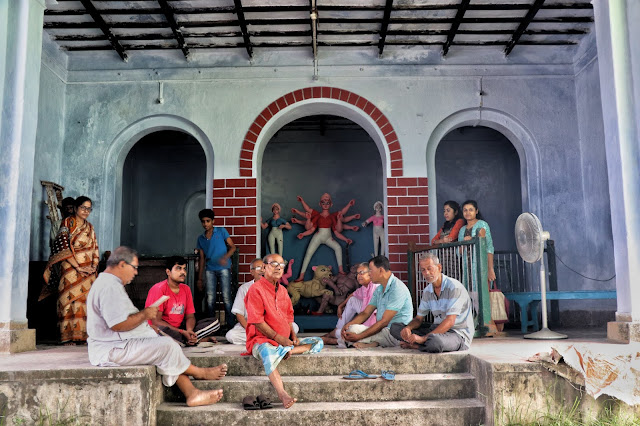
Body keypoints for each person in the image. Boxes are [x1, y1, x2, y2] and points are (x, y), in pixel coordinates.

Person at [87, 246, 227, 407]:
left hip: (118, 344)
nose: (135, 272)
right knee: (166, 346)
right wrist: (145, 315)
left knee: (163, 344)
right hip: (111, 349)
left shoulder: (109, 283)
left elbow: (122, 321)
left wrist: (146, 329)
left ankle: (193, 392)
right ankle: (199, 374)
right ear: (121, 265)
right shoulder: (109, 286)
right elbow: (118, 325)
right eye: (134, 268)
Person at [244, 253, 323, 409]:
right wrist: (280, 339)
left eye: (281, 265)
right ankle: (282, 394)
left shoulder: (283, 291)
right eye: (274, 264)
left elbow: (289, 316)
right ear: (264, 268)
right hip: (262, 340)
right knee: (267, 352)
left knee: (317, 342)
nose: (279, 268)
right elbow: (257, 321)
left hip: (283, 341)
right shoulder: (255, 289)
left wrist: (293, 336)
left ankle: (289, 351)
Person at [42, 196, 100, 345]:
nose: (86, 211)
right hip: (71, 270)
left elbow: (95, 248)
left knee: (86, 302)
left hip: (88, 272)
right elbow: (62, 248)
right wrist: (79, 267)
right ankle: (68, 337)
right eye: (83, 208)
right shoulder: (67, 223)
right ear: (75, 208)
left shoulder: (90, 227)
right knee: (69, 301)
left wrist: (93, 267)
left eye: (89, 209)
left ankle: (83, 336)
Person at [390, 253, 474, 353]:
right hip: (436, 330)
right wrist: (408, 328)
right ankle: (421, 343)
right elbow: (418, 319)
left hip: (456, 333)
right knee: (395, 328)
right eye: (423, 270)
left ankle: (417, 346)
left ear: (439, 267)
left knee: (435, 342)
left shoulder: (454, 287)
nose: (427, 273)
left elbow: (450, 321)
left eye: (430, 268)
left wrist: (423, 338)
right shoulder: (427, 291)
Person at [341, 255, 413, 349]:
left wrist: (359, 336)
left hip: (395, 334)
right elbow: (365, 313)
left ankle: (376, 343)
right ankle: (375, 343)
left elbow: (384, 321)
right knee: (351, 329)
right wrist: (347, 325)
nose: (369, 274)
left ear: (381, 270)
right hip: (383, 331)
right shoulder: (379, 289)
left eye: (371, 270)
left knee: (353, 334)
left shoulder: (397, 288)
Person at [145, 256, 220, 346]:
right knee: (161, 332)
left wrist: (189, 331)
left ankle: (189, 339)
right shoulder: (159, 289)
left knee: (215, 323)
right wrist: (181, 331)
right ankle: (195, 339)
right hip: (161, 330)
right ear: (168, 272)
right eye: (178, 268)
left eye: (184, 269)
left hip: (180, 330)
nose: (183, 272)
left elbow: (190, 317)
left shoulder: (186, 289)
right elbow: (156, 322)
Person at [226, 258, 299, 345]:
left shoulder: (278, 288)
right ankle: (271, 339)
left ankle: (265, 339)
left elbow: (286, 314)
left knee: (294, 327)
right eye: (257, 268)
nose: (261, 271)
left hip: (274, 325)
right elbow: (239, 314)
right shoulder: (244, 288)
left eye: (263, 267)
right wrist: (250, 331)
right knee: (231, 335)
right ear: (252, 272)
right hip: (253, 326)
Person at [291, 193, 358, 281]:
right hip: (318, 236)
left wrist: (346, 239)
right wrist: (303, 234)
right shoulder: (318, 216)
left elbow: (337, 231)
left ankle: (341, 270)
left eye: (328, 203)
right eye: (323, 203)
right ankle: (301, 276)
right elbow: (310, 226)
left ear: (331, 204)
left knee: (338, 247)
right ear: (320, 204)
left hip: (328, 238)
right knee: (308, 254)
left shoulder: (332, 217)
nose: (325, 205)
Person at [321, 262, 379, 348]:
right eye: (357, 273)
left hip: (372, 326)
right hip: (364, 318)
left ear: (370, 273)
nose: (358, 276)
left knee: (348, 332)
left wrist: (349, 325)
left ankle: (333, 339)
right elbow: (354, 294)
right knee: (352, 300)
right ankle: (335, 332)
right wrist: (341, 305)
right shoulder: (365, 287)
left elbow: (369, 315)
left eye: (361, 273)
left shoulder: (375, 287)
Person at [196, 208, 236, 329]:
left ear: (213, 221)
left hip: (224, 268)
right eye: (203, 221)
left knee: (226, 297)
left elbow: (233, 247)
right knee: (210, 299)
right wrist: (199, 278)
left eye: (208, 221)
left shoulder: (221, 231)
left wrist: (225, 257)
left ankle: (230, 325)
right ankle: (212, 327)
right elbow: (202, 258)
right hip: (210, 269)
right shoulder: (201, 238)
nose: (205, 224)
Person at [457, 200, 496, 283]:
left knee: (482, 290)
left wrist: (490, 269)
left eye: (471, 210)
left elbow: (489, 247)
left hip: (481, 265)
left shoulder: (482, 224)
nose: (468, 212)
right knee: (469, 292)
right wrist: (464, 244)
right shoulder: (462, 229)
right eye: (465, 210)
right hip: (467, 267)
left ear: (476, 211)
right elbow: (459, 252)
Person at [431, 200, 465, 277]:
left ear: (455, 212)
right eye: (444, 211)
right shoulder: (445, 225)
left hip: (453, 257)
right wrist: (442, 240)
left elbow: (451, 238)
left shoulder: (460, 221)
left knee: (454, 278)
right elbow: (433, 241)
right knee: (443, 278)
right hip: (443, 257)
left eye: (448, 211)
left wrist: (439, 241)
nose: (445, 213)